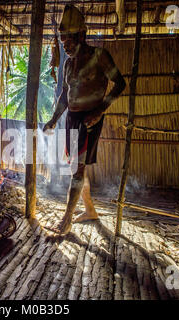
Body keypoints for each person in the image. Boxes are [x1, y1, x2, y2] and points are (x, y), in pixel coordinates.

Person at [43, 4, 126, 235]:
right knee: (75, 169)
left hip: (89, 120)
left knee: (78, 171)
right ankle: (89, 210)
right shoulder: (68, 64)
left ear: (81, 35)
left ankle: (67, 219)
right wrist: (53, 119)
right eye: (62, 41)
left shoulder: (100, 56)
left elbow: (120, 84)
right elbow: (65, 95)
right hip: (72, 118)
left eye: (69, 40)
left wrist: (100, 110)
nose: (65, 45)